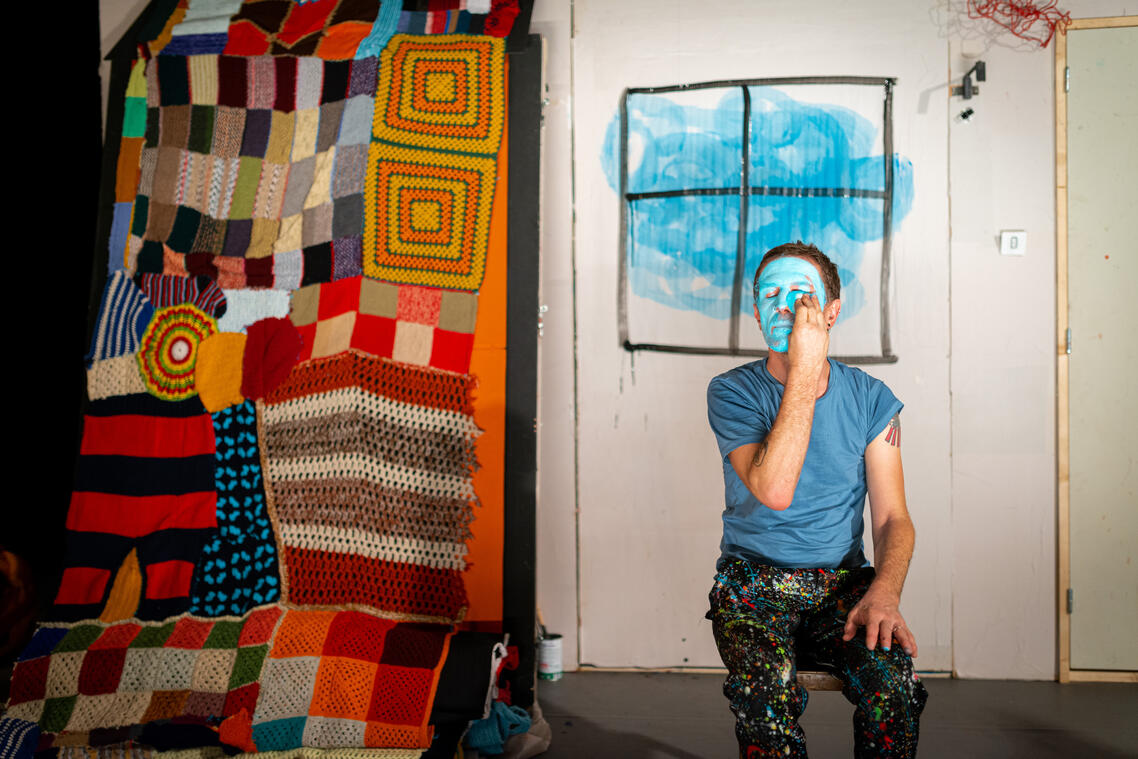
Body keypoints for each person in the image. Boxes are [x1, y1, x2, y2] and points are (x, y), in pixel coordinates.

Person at [706, 241, 927, 758]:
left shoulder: (871, 399)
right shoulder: (731, 392)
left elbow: (892, 518)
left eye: (802, 296)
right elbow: (775, 490)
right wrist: (805, 367)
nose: (784, 307)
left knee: (895, 690)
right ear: (756, 313)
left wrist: (884, 593)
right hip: (752, 586)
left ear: (831, 312)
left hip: (841, 584)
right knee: (765, 699)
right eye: (770, 295)